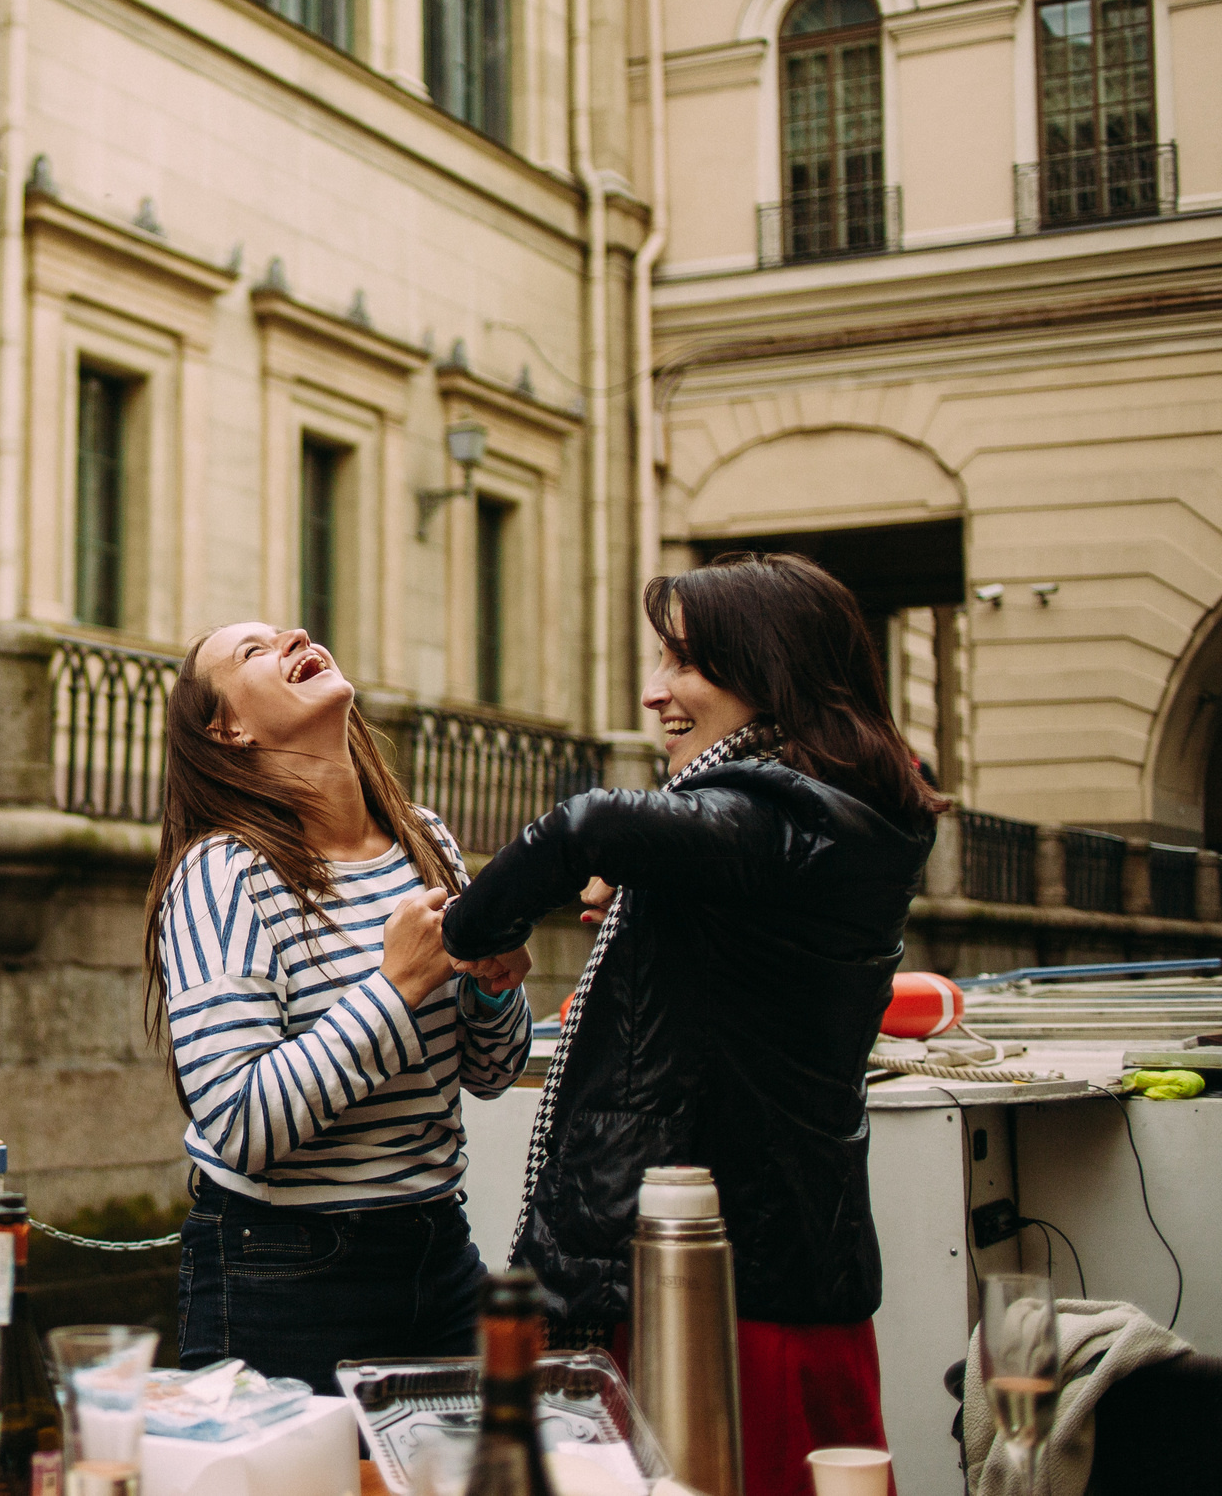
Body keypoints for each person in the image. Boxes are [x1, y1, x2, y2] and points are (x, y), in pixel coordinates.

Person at [440, 552, 944, 1496]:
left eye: (683, 663)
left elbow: (586, 823)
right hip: (784, 1265)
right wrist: (655, 894)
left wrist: (477, 931)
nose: (652, 692)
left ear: (770, 672)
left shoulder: (780, 818)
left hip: (726, 1293)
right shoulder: (841, 814)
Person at [148, 622, 533, 1395]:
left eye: (285, 630)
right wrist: (393, 991)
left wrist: (495, 988)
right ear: (228, 729)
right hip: (285, 1277)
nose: (292, 633)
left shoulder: (426, 841)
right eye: (253, 651)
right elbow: (240, 1124)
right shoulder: (224, 874)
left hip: (440, 1251)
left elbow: (490, 1074)